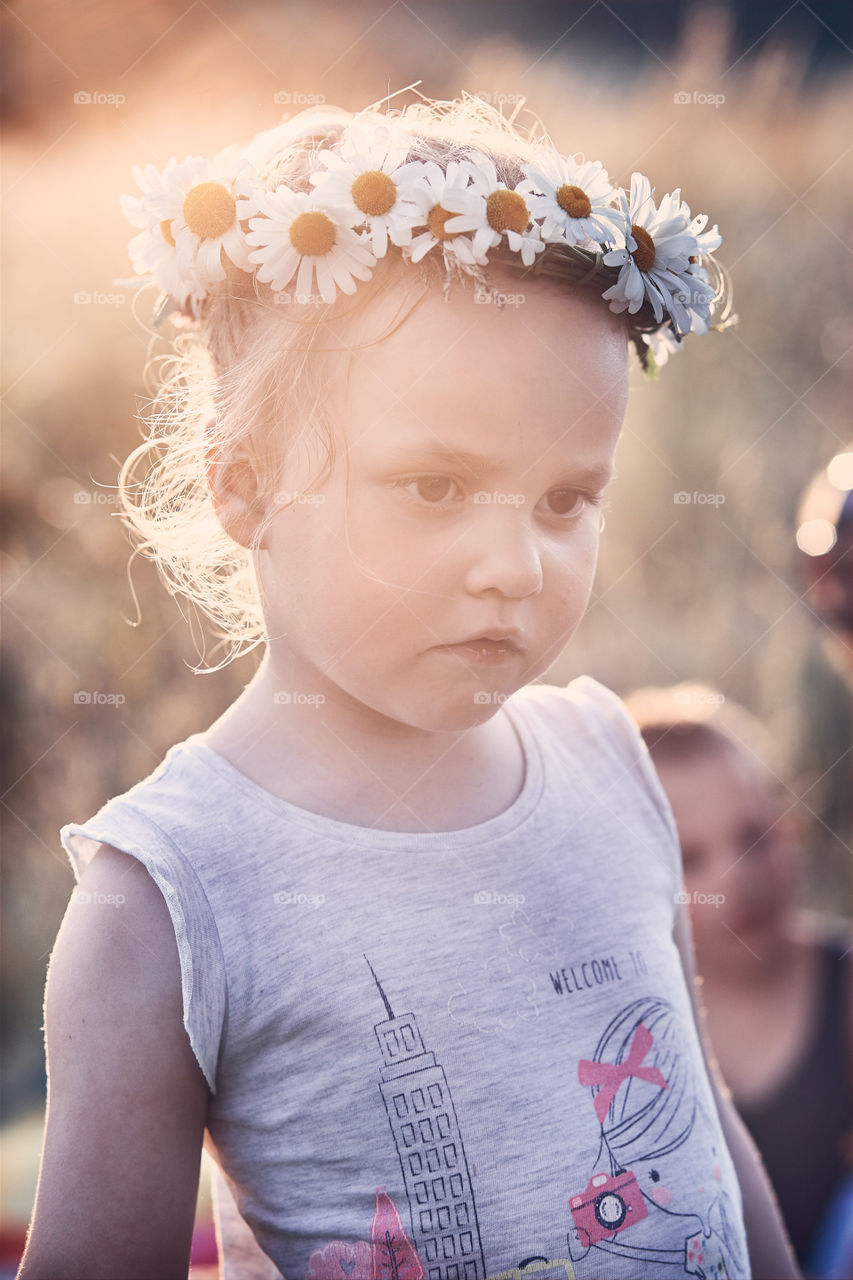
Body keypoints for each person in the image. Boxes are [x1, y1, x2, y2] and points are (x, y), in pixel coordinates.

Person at [18, 93, 798, 1279]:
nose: (515, 566)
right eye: (436, 487)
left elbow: (711, 1151)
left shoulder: (607, 764)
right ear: (244, 484)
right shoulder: (168, 901)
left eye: (564, 500)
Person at [624, 682, 853, 1279]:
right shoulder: (627, 1052)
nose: (734, 877)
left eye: (753, 835)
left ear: (792, 827)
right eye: (690, 858)